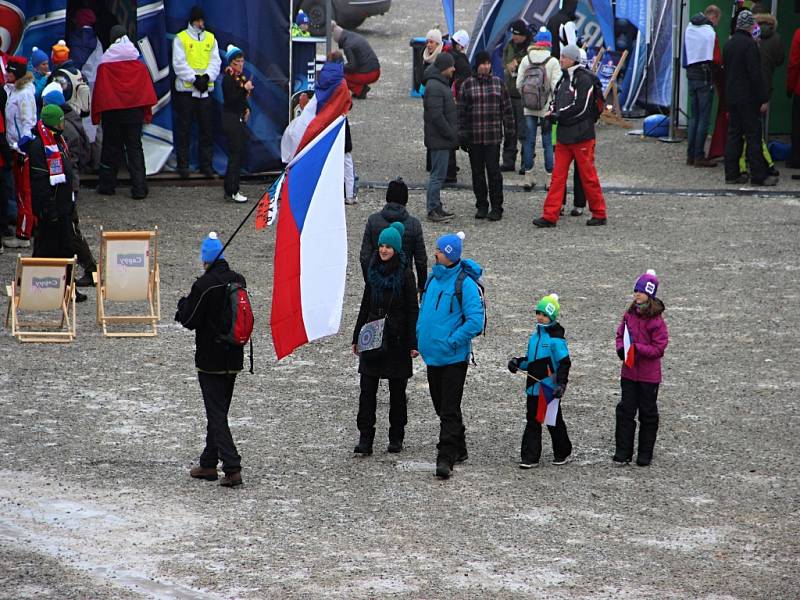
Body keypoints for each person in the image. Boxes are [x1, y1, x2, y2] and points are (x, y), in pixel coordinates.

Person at [177, 232, 247, 488]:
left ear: (206, 259)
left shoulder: (204, 285)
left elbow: (189, 319)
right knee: (219, 411)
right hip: (234, 356)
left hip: (210, 359)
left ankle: (232, 467)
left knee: (216, 414)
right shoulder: (238, 280)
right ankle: (208, 463)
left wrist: (182, 304)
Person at [416, 231, 485, 480]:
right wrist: (419, 338)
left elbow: (476, 321)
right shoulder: (434, 280)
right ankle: (459, 446)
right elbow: (424, 313)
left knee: (448, 407)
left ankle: (445, 456)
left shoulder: (465, 284)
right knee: (441, 405)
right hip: (433, 356)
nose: (434, 252)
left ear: (449, 254)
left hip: (454, 357)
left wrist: (453, 341)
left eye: (439, 250)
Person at [351, 222, 419, 455]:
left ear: (396, 249)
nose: (383, 250)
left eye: (388, 246)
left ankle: (396, 436)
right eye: (381, 245)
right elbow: (365, 305)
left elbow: (413, 310)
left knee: (397, 392)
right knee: (367, 390)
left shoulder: (406, 275)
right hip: (372, 336)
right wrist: (356, 336)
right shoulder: (372, 271)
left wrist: (413, 342)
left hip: (397, 339)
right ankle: (365, 438)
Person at [533, 44, 607, 228]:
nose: (561, 59)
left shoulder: (584, 79)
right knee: (558, 177)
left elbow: (581, 107)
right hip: (568, 136)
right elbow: (556, 101)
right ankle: (550, 215)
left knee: (587, 176)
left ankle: (599, 212)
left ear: (573, 59)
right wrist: (553, 113)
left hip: (580, 136)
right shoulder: (566, 78)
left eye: (564, 57)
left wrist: (557, 115)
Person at [27, 104, 88, 303]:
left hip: (63, 207)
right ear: (55, 122)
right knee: (45, 250)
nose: (63, 123)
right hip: (51, 209)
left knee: (66, 248)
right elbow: (40, 181)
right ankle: (34, 285)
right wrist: (49, 209)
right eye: (61, 120)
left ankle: (68, 287)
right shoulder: (39, 147)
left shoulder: (58, 140)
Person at [91, 25, 157, 199]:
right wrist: (146, 112)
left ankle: (107, 185)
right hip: (134, 113)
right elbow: (147, 90)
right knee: (135, 148)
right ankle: (139, 188)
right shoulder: (139, 65)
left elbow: (99, 92)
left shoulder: (105, 65)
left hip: (112, 114)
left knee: (110, 148)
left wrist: (96, 116)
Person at [507, 293, 572, 468]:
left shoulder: (556, 340)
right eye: (538, 313)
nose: (540, 317)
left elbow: (564, 363)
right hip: (533, 388)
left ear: (551, 317)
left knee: (553, 421)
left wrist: (561, 384)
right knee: (533, 421)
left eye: (544, 315)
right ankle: (530, 457)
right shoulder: (534, 337)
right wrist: (517, 363)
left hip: (548, 388)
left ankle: (563, 451)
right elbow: (531, 361)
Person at [42, 83, 96, 288]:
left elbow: (70, 161)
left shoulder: (66, 131)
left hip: (66, 187)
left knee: (71, 232)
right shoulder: (72, 120)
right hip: (67, 185)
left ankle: (90, 269)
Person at [613, 270, 669, 467]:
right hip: (629, 372)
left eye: (641, 291)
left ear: (649, 294)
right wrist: (621, 349)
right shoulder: (629, 315)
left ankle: (645, 453)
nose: (636, 294)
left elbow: (659, 348)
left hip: (648, 376)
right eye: (635, 290)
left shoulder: (656, 321)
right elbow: (620, 335)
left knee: (647, 413)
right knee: (625, 411)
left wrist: (636, 349)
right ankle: (623, 452)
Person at [459, 51, 515, 221]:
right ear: (477, 65)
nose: (486, 66)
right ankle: (481, 205)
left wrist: (511, 133)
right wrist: (462, 135)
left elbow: (507, 111)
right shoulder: (467, 85)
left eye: (488, 63)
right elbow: (461, 112)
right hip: (474, 137)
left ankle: (497, 206)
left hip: (492, 138)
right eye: (483, 63)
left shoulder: (499, 84)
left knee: (494, 173)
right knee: (477, 173)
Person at [723, 10, 775, 186]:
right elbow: (755, 74)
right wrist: (763, 97)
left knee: (733, 135)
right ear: (750, 25)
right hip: (748, 98)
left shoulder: (729, 44)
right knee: (753, 136)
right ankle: (758, 176)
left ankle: (732, 174)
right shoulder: (750, 45)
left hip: (732, 97)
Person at [172, 6, 221, 179]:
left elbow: (216, 61)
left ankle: (206, 166)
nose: (202, 23)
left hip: (205, 92)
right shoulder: (181, 38)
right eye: (199, 20)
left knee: (206, 130)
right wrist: (195, 79)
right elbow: (179, 63)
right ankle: (183, 166)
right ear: (192, 21)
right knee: (184, 130)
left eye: (202, 20)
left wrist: (206, 77)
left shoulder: (211, 38)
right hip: (186, 92)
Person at [359, 178, 428, 292]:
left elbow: (365, 257)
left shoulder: (373, 220)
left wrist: (370, 281)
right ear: (405, 199)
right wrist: (422, 286)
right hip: (403, 282)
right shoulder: (414, 224)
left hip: (377, 280)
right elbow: (421, 260)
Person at [517, 27, 560, 191]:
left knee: (529, 141)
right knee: (548, 142)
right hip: (546, 108)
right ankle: (550, 179)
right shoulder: (552, 61)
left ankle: (529, 177)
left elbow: (518, 84)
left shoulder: (526, 59)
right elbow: (556, 87)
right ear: (549, 42)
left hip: (528, 107)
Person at [683, 6, 722, 167]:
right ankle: (699, 155)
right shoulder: (710, 33)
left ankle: (690, 155)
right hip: (705, 77)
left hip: (691, 75)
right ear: (714, 17)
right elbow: (717, 59)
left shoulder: (690, 28)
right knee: (703, 119)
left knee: (694, 117)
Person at [4, 55, 36, 249]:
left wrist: (23, 144)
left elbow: (28, 120)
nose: (7, 74)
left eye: (10, 72)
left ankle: (24, 234)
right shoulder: (14, 90)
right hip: (14, 147)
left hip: (21, 149)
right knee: (19, 191)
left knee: (24, 192)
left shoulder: (24, 94)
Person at [422, 52, 458, 223]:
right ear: (444, 67)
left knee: (439, 175)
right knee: (437, 176)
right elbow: (437, 116)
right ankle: (432, 209)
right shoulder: (436, 86)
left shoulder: (437, 84)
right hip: (440, 139)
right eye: (451, 66)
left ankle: (436, 206)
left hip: (440, 139)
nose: (453, 69)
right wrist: (451, 133)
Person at [221, 45, 253, 203]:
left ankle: (231, 188)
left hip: (237, 117)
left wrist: (247, 109)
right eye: (237, 62)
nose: (241, 64)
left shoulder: (239, 78)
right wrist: (244, 90)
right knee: (235, 154)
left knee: (237, 153)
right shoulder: (228, 79)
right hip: (230, 118)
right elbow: (231, 99)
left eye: (242, 61)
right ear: (231, 63)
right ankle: (232, 190)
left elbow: (240, 100)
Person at [501, 19, 531, 173]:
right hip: (509, 93)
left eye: (517, 34)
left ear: (524, 35)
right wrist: (507, 65)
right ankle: (508, 161)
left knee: (524, 131)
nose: (514, 37)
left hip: (523, 97)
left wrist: (518, 64)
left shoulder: (530, 48)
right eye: (513, 34)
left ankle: (526, 163)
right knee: (509, 130)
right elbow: (504, 60)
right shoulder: (509, 45)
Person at [333, 21, 380, 100]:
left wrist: (339, 67)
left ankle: (360, 90)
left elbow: (352, 67)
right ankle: (362, 88)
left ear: (339, 40)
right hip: (376, 70)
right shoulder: (354, 36)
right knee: (345, 71)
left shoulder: (347, 45)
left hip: (369, 74)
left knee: (339, 74)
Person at [788, 27, 800, 170]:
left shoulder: (798, 33)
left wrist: (790, 86)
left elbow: (794, 63)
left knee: (798, 126)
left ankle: (797, 158)